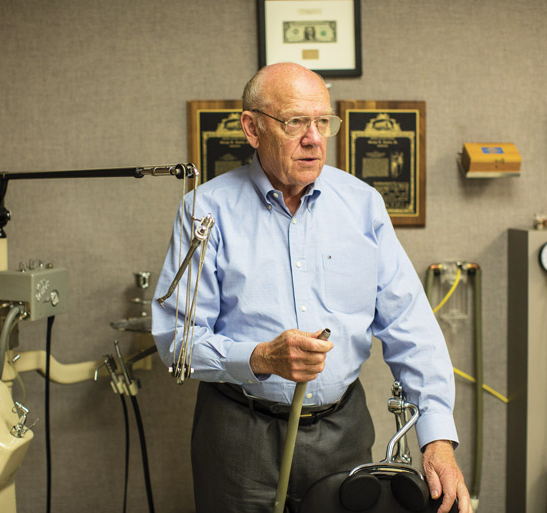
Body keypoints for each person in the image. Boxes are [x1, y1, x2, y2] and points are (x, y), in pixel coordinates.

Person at [152, 62, 471, 513]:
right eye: (295, 121)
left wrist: (437, 437)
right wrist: (262, 357)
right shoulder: (205, 210)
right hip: (238, 435)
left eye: (323, 121)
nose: (314, 138)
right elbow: (177, 341)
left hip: (341, 433)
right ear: (252, 127)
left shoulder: (363, 205)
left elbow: (411, 326)